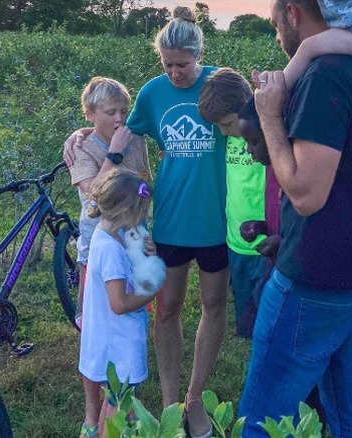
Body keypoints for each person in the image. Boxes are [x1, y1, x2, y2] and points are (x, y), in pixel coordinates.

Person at [64, 7, 228, 438]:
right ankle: (171, 402)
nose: (174, 72)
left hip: (218, 218)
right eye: (167, 65)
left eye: (182, 64)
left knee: (214, 306)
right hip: (171, 217)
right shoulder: (154, 93)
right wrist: (82, 135)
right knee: (167, 308)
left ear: (199, 54)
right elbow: (122, 130)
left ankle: (195, 399)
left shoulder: (220, 86)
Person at [237, 0, 352, 436]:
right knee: (348, 418)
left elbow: (307, 194)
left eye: (273, 25)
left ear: (292, 13)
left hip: (313, 282)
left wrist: (270, 114)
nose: (275, 36)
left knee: (261, 421)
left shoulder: (324, 74)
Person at [68, 76, 151, 438]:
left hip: (133, 234)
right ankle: (94, 413)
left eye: (124, 110)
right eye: (110, 111)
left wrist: (147, 225)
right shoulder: (80, 148)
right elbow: (92, 201)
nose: (120, 117)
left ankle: (117, 407)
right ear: (90, 114)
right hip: (99, 244)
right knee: (95, 327)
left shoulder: (134, 139)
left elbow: (145, 182)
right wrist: (114, 153)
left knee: (124, 318)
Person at [78, 169, 157, 438]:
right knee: (120, 405)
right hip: (119, 344)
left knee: (115, 399)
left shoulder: (107, 237)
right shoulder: (111, 250)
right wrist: (150, 294)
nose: (144, 217)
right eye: (142, 211)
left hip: (110, 341)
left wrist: (147, 253)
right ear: (126, 211)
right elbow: (120, 303)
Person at [197, 68, 270, 338]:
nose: (223, 132)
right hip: (237, 244)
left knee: (273, 323)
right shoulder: (226, 134)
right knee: (251, 327)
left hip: (268, 245)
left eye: (227, 124)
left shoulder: (267, 132)